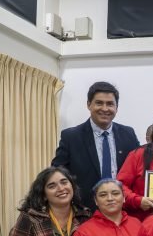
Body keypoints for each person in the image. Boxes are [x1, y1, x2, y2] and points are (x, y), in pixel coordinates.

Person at [52, 82, 140, 210]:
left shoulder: (128, 134)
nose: (105, 109)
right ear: (89, 104)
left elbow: (143, 164)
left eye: (110, 104)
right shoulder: (71, 137)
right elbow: (57, 173)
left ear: (116, 107)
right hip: (85, 212)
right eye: (99, 103)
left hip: (123, 210)